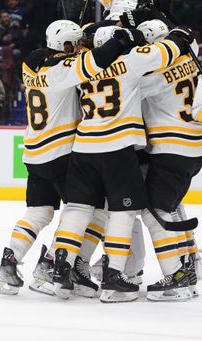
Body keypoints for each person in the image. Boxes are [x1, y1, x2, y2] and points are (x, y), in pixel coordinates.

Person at [50, 19, 194, 303]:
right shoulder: (130, 64)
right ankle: (114, 277)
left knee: (78, 208)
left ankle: (61, 269)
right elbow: (163, 53)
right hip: (117, 149)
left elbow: (56, 76)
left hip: (83, 148)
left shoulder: (83, 64)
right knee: (123, 212)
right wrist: (179, 37)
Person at [0, 19, 140, 298]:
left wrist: (88, 32)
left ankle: (8, 263)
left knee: (39, 213)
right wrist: (120, 39)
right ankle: (54, 264)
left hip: (34, 152)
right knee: (90, 210)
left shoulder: (32, 64)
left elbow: (46, 55)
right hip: (61, 152)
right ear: (65, 46)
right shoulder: (64, 71)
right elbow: (95, 61)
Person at [131, 18, 202, 301]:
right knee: (173, 206)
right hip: (196, 147)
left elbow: (129, 88)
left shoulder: (154, 72)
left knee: (156, 212)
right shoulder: (192, 59)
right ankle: (189, 264)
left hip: (171, 148)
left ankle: (177, 277)